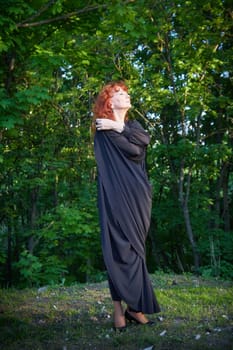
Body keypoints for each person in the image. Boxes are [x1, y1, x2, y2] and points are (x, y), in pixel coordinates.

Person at [93, 81, 160, 331]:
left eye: (126, 92)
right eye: (120, 93)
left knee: (136, 251)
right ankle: (118, 310)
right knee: (117, 250)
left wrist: (118, 125)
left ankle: (135, 308)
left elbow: (144, 141)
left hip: (139, 196)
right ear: (110, 102)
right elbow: (133, 149)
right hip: (116, 197)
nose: (127, 95)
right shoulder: (103, 130)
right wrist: (113, 127)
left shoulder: (131, 126)